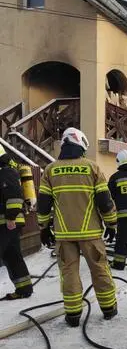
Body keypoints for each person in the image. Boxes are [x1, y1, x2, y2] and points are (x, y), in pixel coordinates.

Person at [37, 127, 117, 327]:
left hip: (64, 235)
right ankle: (108, 309)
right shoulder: (92, 168)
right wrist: (112, 223)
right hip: (91, 233)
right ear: (80, 144)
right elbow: (105, 201)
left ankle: (73, 316)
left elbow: (44, 203)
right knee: (100, 269)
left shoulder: (50, 170)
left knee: (69, 273)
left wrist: (44, 227)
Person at [0, 144, 33, 300]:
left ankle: (24, 288)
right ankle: (24, 288)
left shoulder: (6, 172)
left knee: (10, 254)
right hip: (8, 222)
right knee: (12, 255)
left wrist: (11, 217)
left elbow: (13, 195)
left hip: (6, 222)